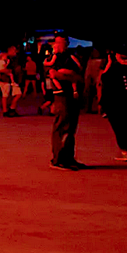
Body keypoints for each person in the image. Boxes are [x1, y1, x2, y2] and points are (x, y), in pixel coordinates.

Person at [45, 35, 86, 170]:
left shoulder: (71, 57)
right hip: (61, 95)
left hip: (72, 94)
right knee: (63, 125)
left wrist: (68, 76)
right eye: (57, 43)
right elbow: (52, 73)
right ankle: (59, 159)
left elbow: (78, 75)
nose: (59, 45)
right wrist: (65, 75)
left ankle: (69, 157)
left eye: (62, 43)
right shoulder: (52, 58)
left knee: (71, 127)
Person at [0, 47, 22, 117]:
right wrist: (5, 71)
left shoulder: (14, 59)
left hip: (13, 79)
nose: (16, 52)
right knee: (6, 95)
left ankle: (11, 108)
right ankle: (7, 110)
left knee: (17, 94)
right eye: (14, 51)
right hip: (5, 79)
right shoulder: (5, 58)